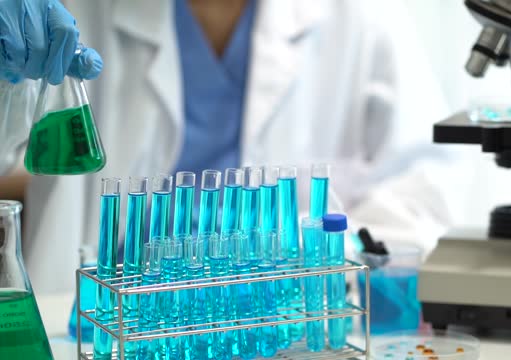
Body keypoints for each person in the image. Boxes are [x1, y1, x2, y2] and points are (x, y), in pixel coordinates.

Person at [0, 0, 450, 293]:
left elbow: (424, 182)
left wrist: (331, 256)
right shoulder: (68, 10)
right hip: (104, 316)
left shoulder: (361, 16)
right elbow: (6, 149)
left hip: (282, 318)